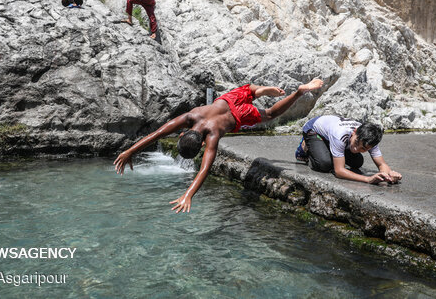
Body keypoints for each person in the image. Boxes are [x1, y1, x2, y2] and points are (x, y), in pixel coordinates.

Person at [114, 78, 325, 213]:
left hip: (238, 116)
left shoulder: (213, 135)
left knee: (270, 114)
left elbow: (205, 168)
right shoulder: (191, 116)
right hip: (225, 100)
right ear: (183, 134)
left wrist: (188, 195)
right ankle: (258, 91)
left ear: (201, 145)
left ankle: (298, 92)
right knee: (249, 90)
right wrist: (129, 151)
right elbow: (156, 134)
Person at [295, 115, 402, 185]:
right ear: (354, 132)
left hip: (334, 135)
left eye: (363, 149)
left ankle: (329, 147)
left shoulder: (370, 139)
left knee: (357, 162)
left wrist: (388, 176)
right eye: (356, 143)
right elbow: (339, 171)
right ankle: (305, 147)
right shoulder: (340, 134)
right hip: (313, 129)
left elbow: (381, 164)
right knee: (325, 164)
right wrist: (368, 179)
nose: (356, 149)